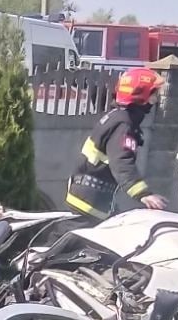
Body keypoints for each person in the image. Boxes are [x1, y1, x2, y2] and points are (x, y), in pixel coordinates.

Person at [67, 66, 168, 219]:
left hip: (90, 195)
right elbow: (122, 162)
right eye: (154, 93)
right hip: (91, 201)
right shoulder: (124, 124)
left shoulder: (118, 116)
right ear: (141, 96)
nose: (156, 99)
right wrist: (143, 194)